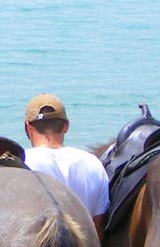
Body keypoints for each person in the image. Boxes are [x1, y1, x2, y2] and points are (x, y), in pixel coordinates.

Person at [22, 93, 110, 238]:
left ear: (28, 127)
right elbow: (98, 228)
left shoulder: (21, 164)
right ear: (66, 126)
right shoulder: (93, 164)